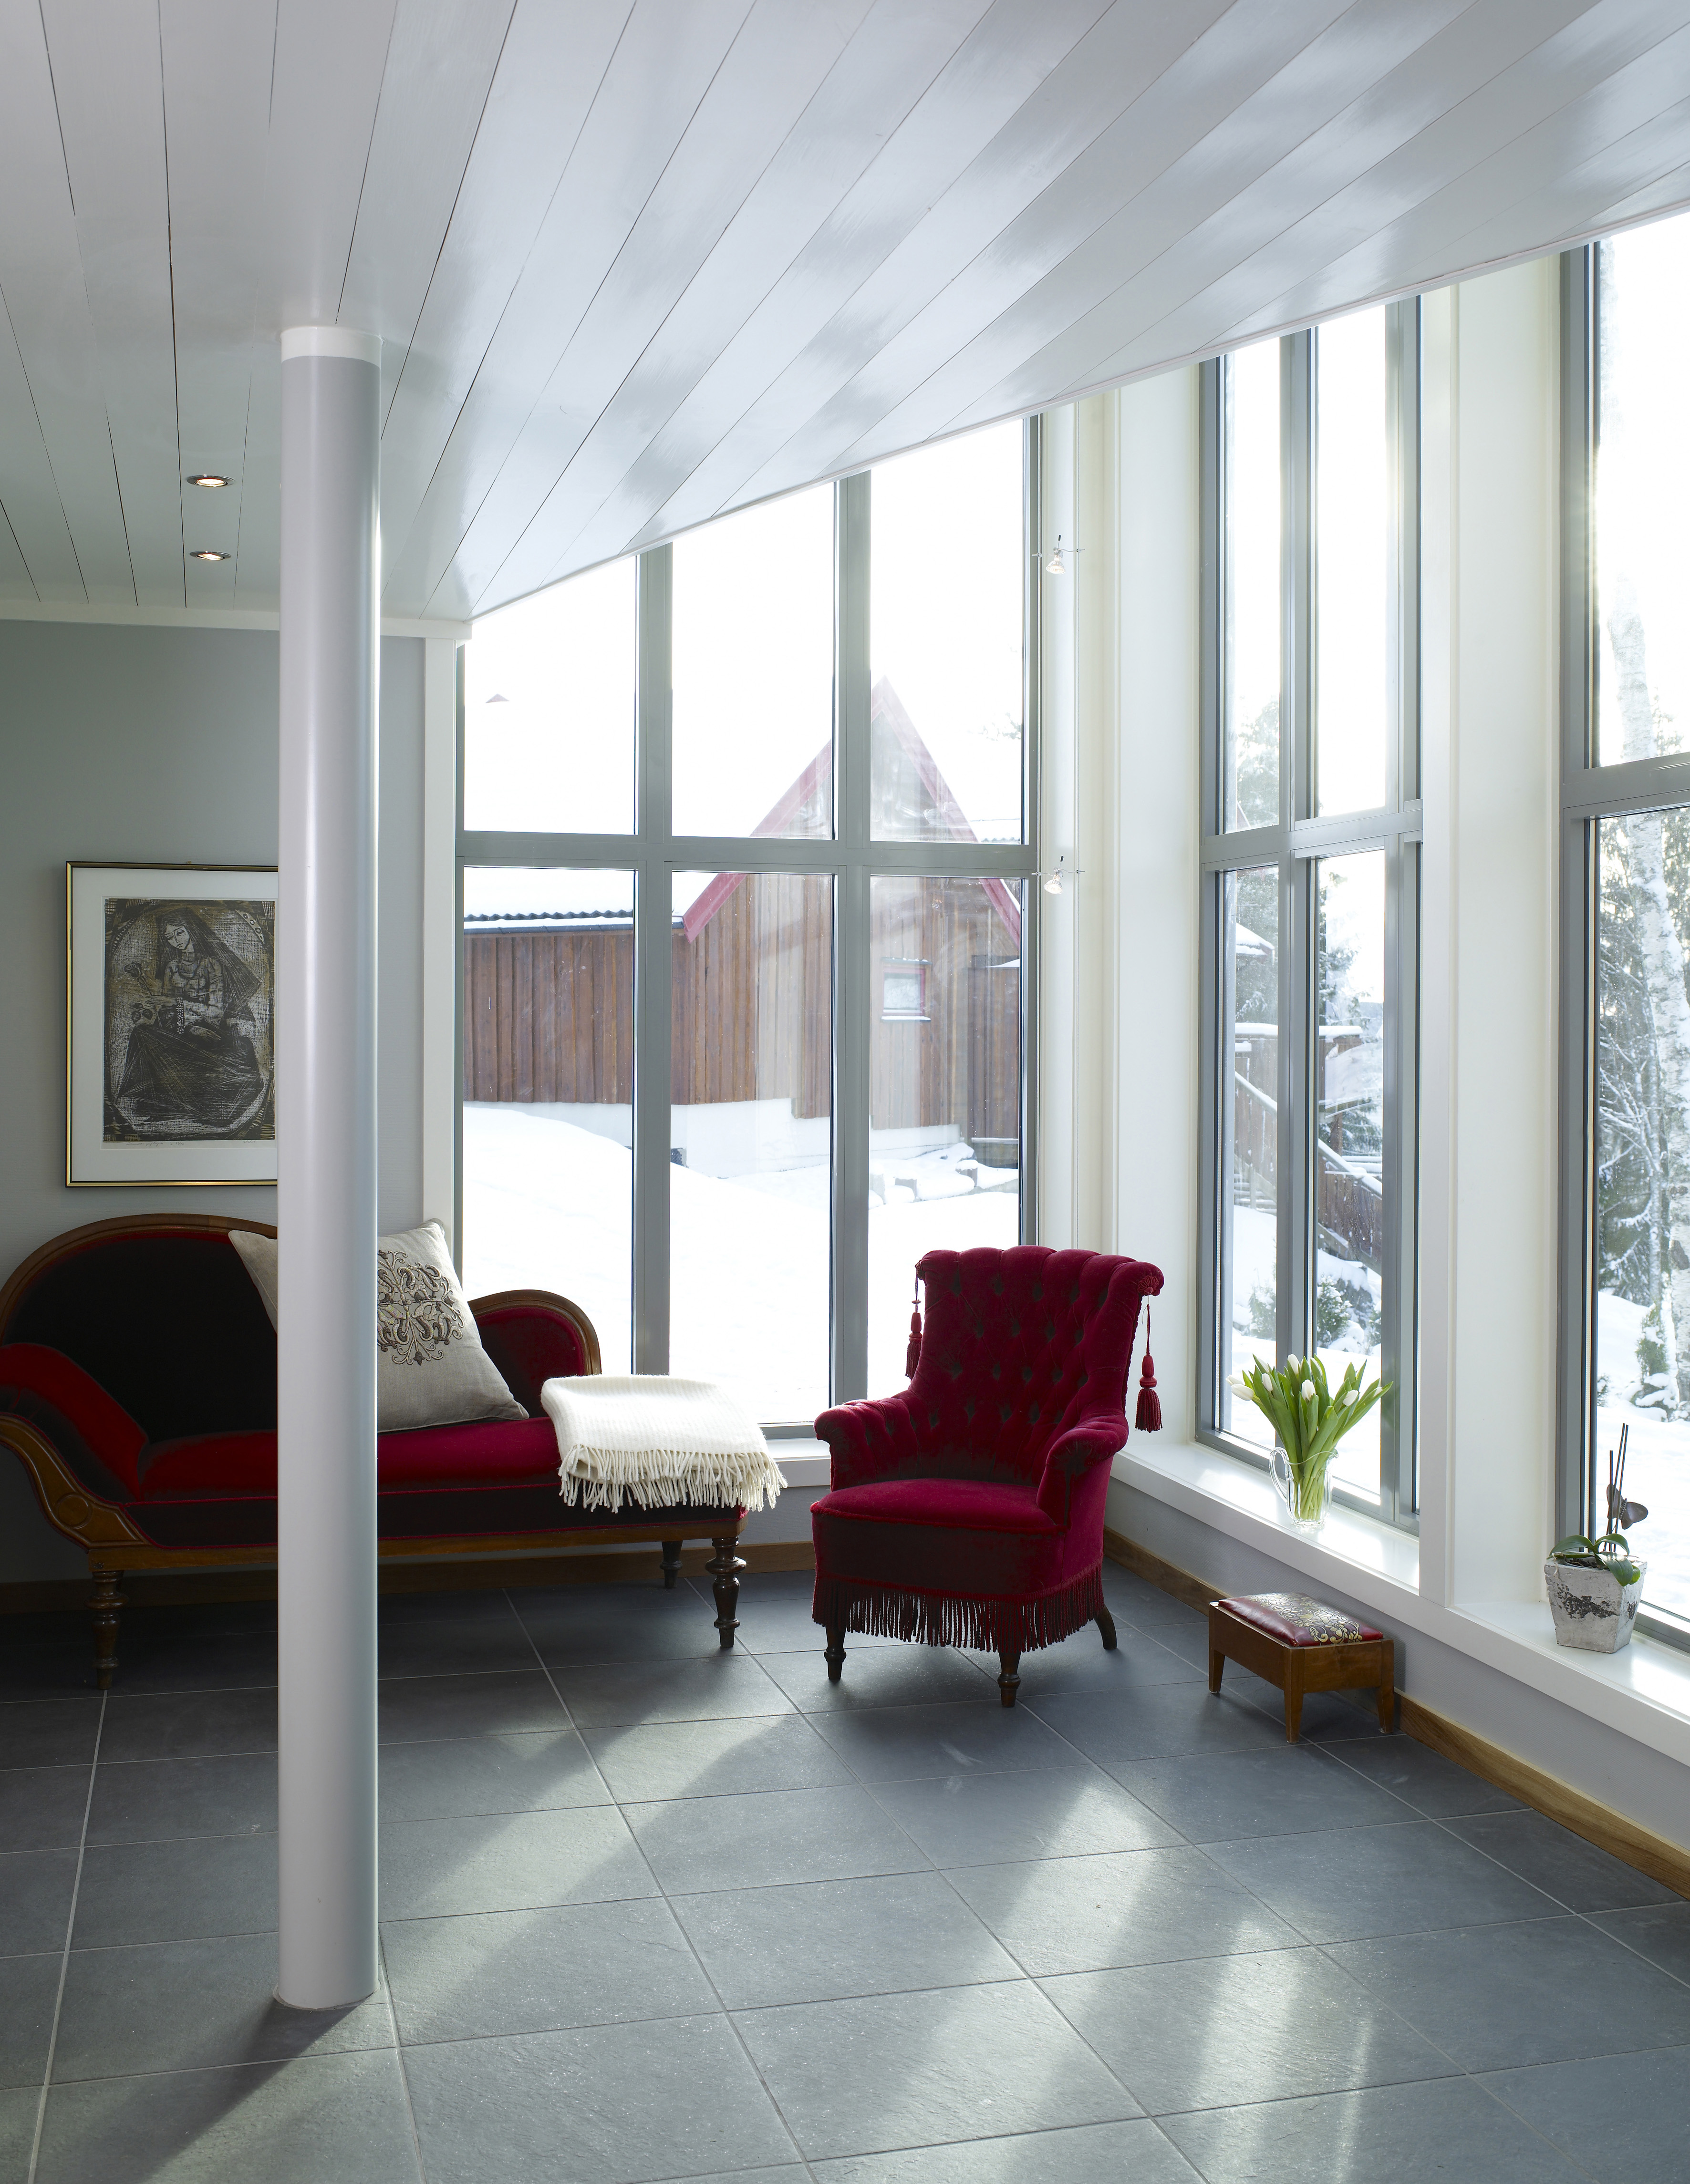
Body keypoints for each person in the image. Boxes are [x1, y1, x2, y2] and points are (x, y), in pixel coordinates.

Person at [111, 910, 269, 1137]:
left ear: (191, 930)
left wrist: (177, 1004)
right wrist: (183, 1022)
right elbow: (167, 1011)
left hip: (210, 1030)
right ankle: (156, 1106)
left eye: (179, 933)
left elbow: (216, 1013)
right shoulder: (172, 967)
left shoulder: (211, 965)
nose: (176, 941)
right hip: (179, 1028)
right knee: (141, 1033)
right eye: (169, 937)